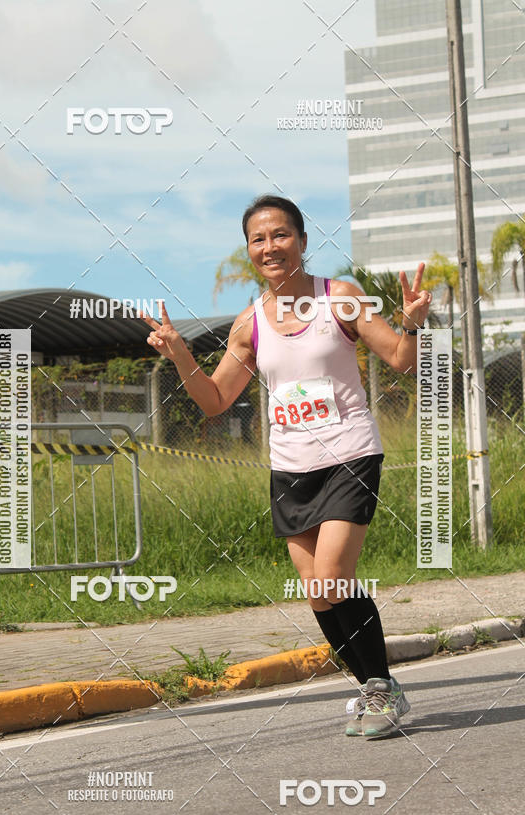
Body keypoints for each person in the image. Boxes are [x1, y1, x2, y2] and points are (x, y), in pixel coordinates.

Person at [141, 194, 432, 739]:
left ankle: (378, 689)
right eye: (258, 239)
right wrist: (181, 353)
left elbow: (400, 358)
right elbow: (214, 401)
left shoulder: (339, 299)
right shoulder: (249, 324)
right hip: (291, 468)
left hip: (349, 454)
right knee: (318, 593)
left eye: (280, 235)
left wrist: (412, 323)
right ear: (249, 250)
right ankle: (377, 688)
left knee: (333, 577)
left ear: (301, 239)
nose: (269, 246)